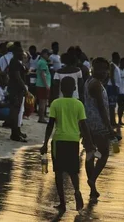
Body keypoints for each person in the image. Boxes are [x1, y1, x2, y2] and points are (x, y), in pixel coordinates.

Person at [40, 77, 95, 212]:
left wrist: (45, 143)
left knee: (58, 172)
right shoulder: (79, 104)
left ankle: (62, 203)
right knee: (73, 171)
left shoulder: (56, 103)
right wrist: (90, 143)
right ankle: (77, 191)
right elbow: (84, 125)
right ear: (75, 89)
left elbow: (50, 124)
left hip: (59, 141)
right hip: (73, 141)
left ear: (61, 89)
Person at [83, 57, 115, 200]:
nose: (103, 72)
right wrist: (110, 127)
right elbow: (101, 108)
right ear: (94, 68)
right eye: (100, 69)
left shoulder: (90, 81)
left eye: (105, 69)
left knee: (90, 155)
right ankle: (93, 180)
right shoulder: (96, 85)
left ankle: (93, 189)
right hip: (99, 126)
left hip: (88, 124)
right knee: (105, 154)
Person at [8, 46, 28, 142]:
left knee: (18, 111)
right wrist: (25, 88)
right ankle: (14, 133)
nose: (22, 55)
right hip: (15, 90)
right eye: (21, 53)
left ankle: (17, 131)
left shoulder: (17, 62)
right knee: (15, 111)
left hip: (17, 90)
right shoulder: (14, 62)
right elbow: (18, 77)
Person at [36, 49, 52, 123]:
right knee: (43, 102)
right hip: (43, 85)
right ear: (43, 54)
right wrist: (46, 85)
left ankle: (41, 116)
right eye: (47, 54)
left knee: (42, 101)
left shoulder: (42, 61)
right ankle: (41, 117)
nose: (48, 56)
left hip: (41, 84)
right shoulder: (42, 62)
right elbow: (43, 74)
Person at [106, 52, 122, 126]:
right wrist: (114, 86)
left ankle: (112, 121)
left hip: (115, 86)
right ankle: (112, 122)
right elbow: (111, 76)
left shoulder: (116, 66)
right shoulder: (112, 65)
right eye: (118, 58)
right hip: (111, 87)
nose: (119, 60)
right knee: (111, 105)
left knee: (113, 105)